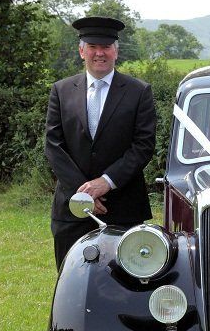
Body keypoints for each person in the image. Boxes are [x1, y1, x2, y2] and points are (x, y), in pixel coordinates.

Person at [45, 16, 156, 269]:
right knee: (69, 280)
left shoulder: (139, 91)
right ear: (81, 51)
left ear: (116, 51)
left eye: (106, 47)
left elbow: (143, 146)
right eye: (92, 47)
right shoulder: (61, 91)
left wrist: (105, 183)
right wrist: (84, 193)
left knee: (125, 282)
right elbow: (54, 145)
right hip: (71, 209)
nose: (99, 53)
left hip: (123, 208)